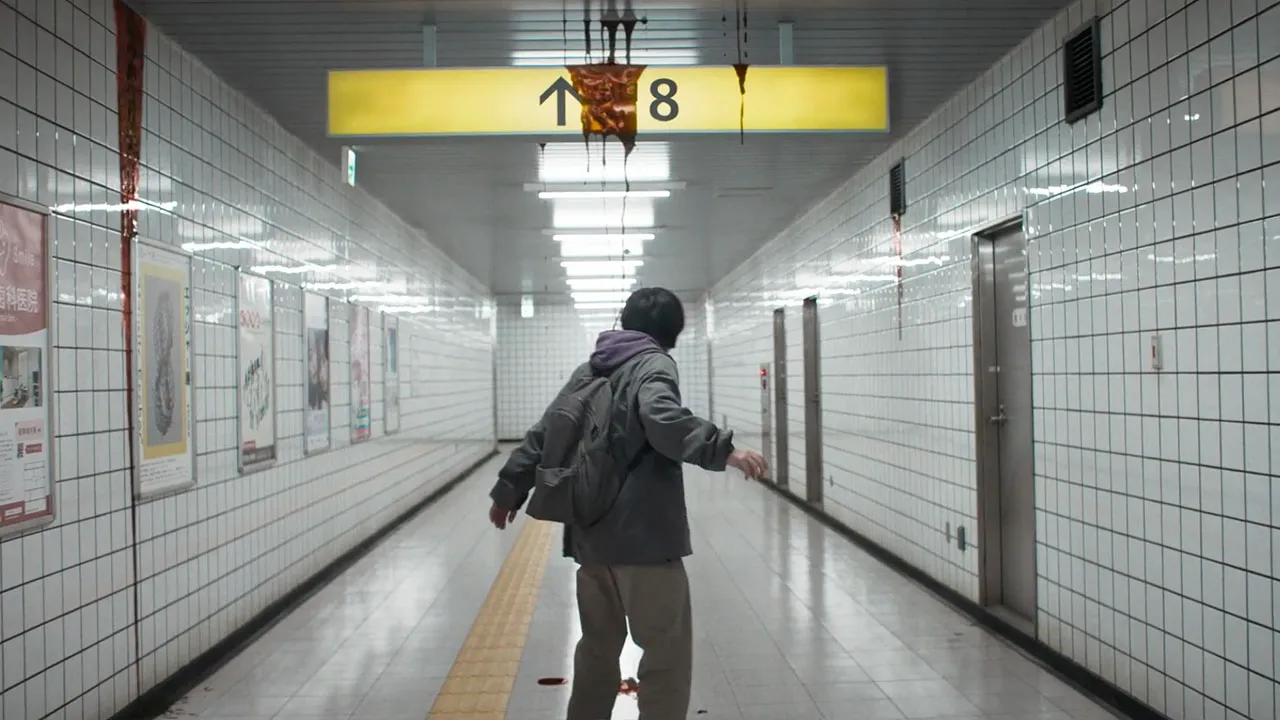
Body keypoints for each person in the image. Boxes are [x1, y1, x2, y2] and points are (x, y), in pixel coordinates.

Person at [487, 287, 768, 720]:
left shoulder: (591, 368)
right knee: (665, 654)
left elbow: (545, 433)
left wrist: (509, 489)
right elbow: (662, 419)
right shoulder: (653, 364)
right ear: (673, 329)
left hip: (591, 540)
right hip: (646, 543)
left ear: (625, 320)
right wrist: (724, 451)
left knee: (597, 651)